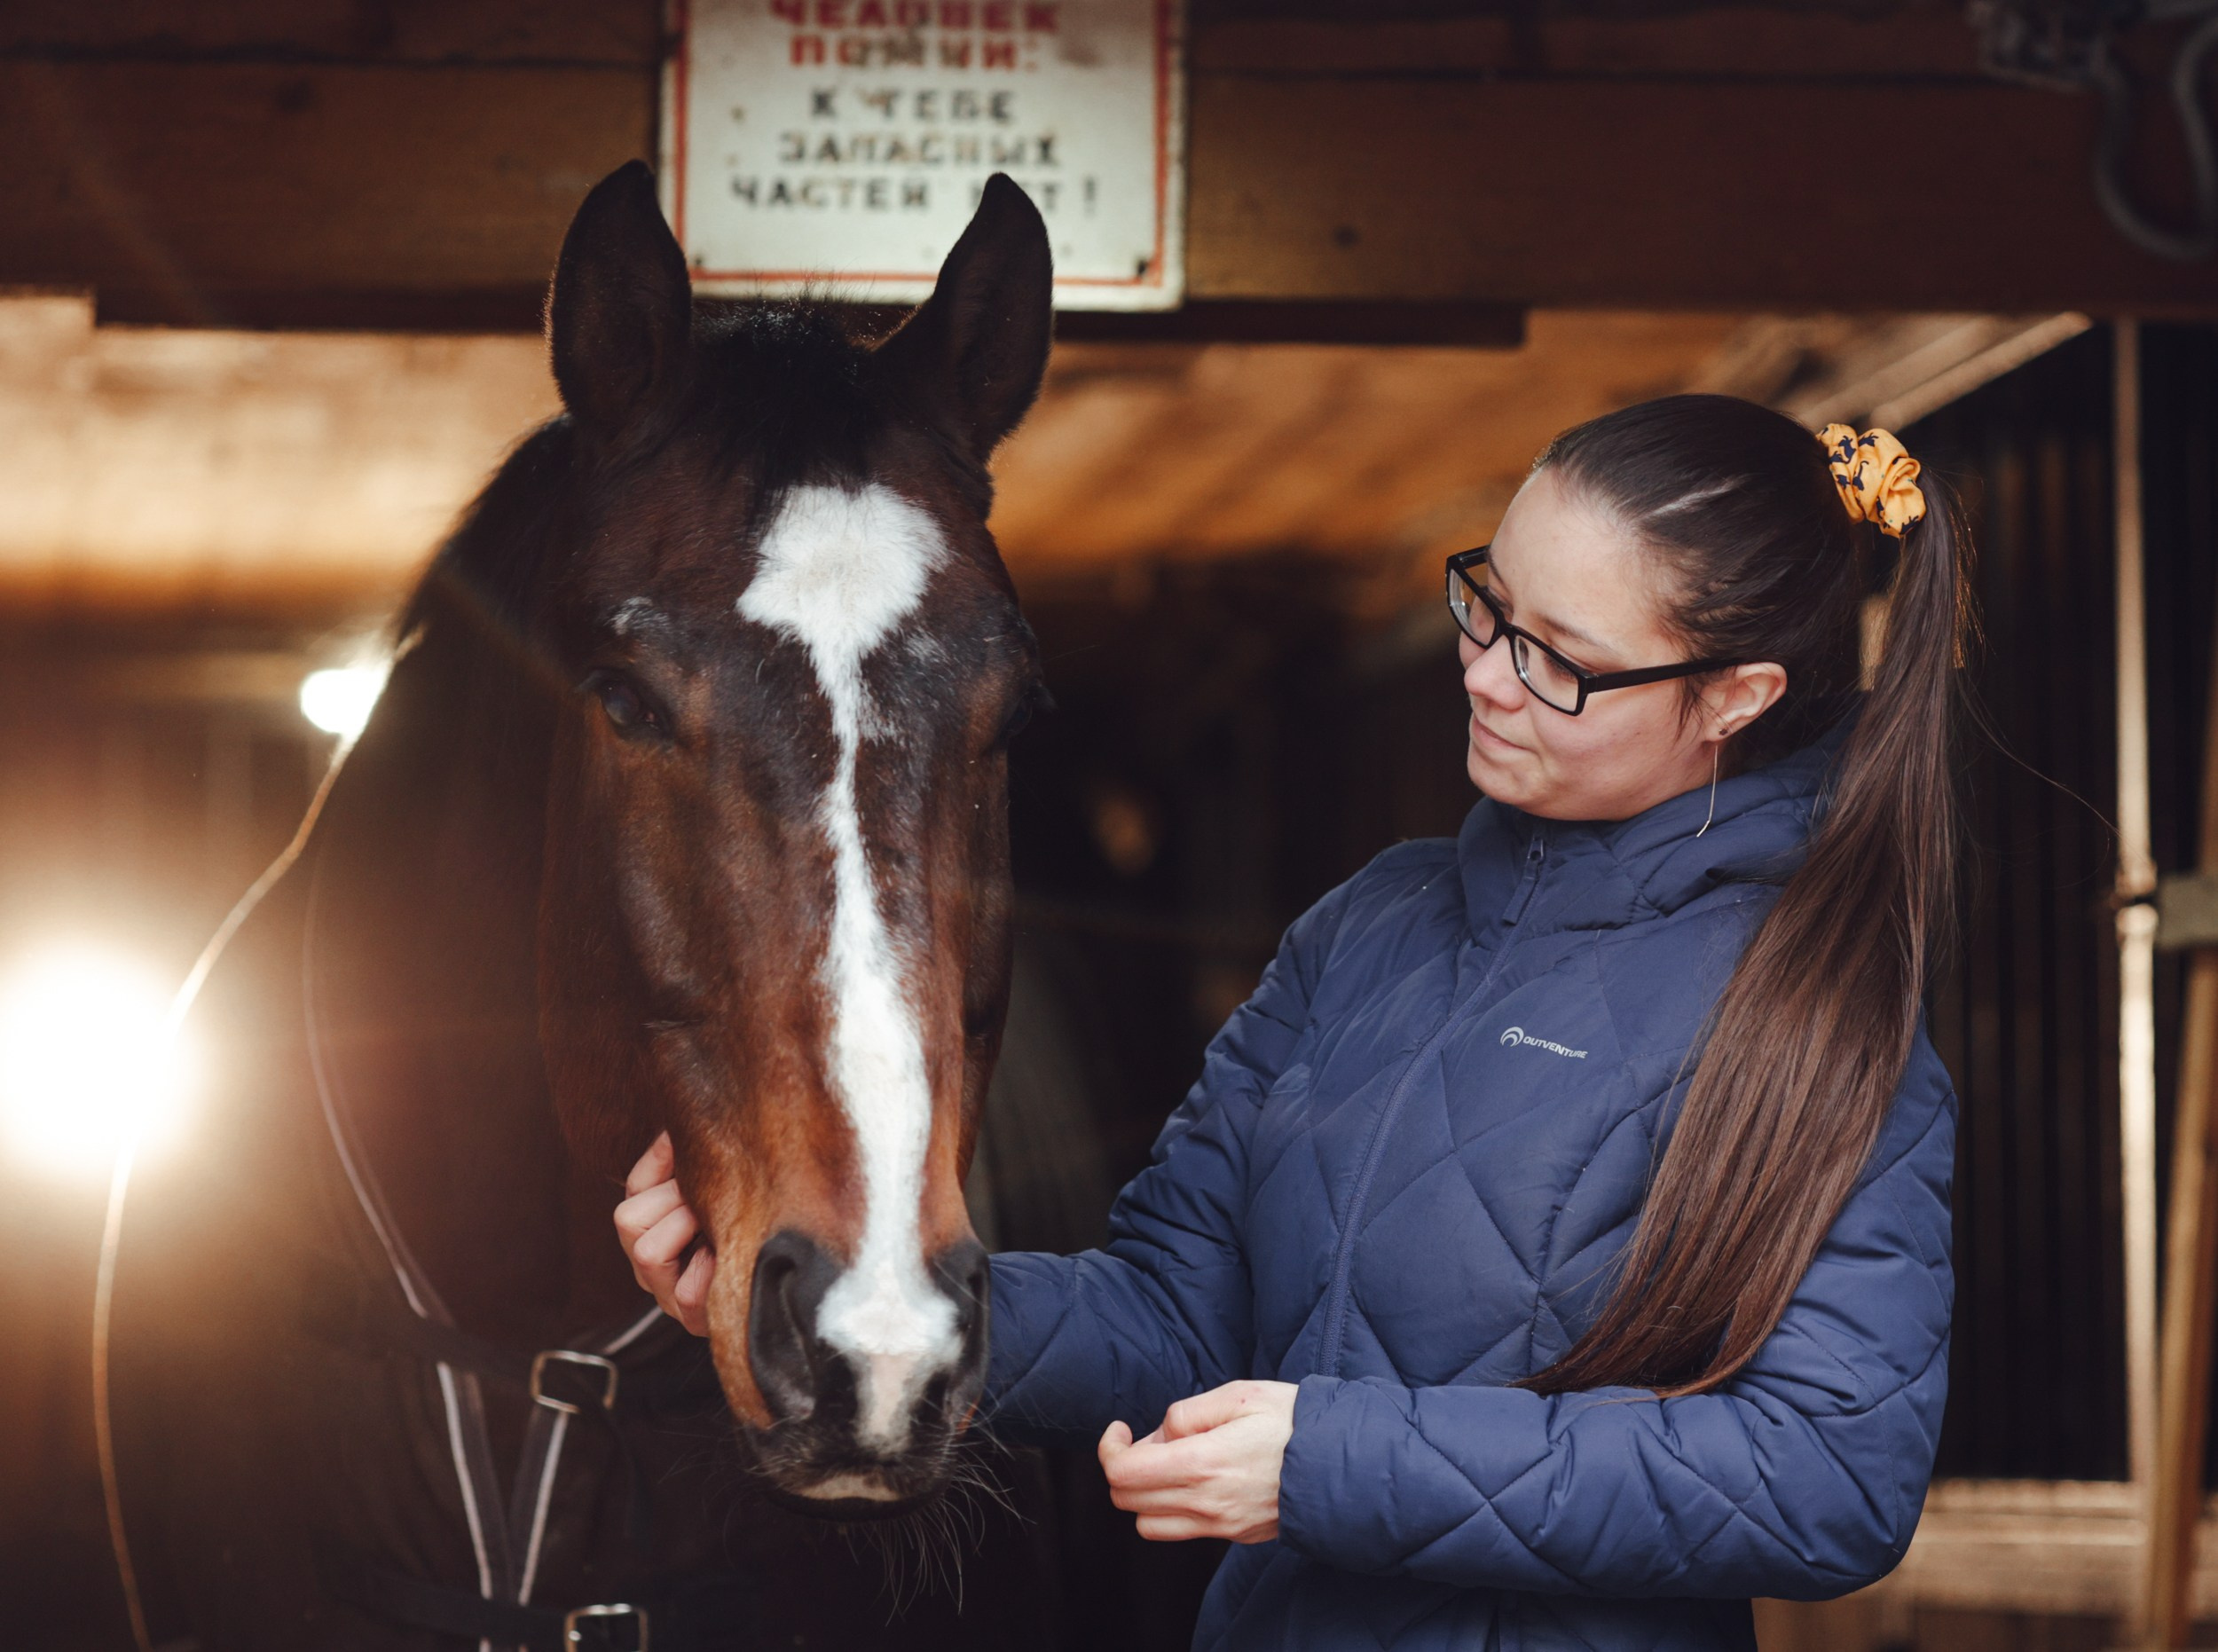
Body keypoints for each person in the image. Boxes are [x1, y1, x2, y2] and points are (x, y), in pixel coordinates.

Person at [617, 394, 1962, 1651]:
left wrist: (1328, 1463)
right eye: (1489, 602)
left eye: (1560, 660)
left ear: (1737, 696)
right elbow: (1174, 1316)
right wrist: (867, 1303)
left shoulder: (1816, 1030)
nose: (1488, 674)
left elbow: (1830, 1477)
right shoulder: (1371, 926)